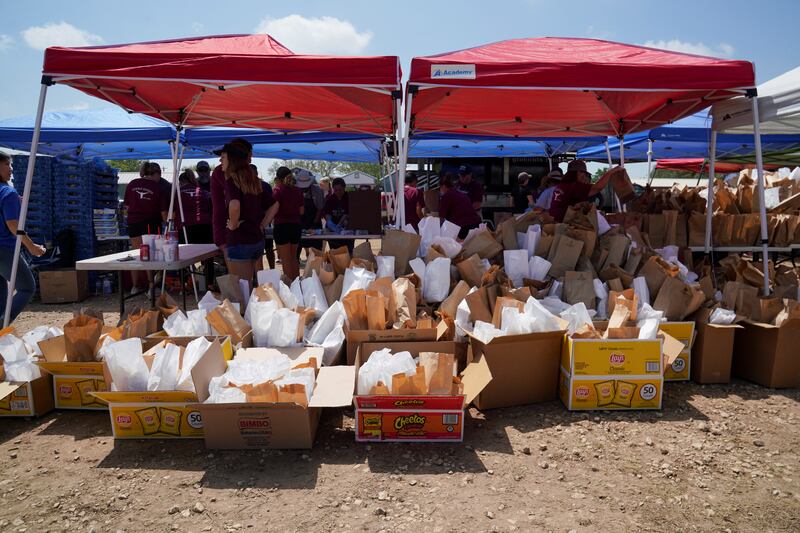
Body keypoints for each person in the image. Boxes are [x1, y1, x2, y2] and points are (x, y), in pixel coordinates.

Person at [218, 142, 278, 286]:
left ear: (232, 159)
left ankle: (246, 309)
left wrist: (232, 224)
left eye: (223, 157)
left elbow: (235, 205)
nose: (220, 161)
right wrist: (262, 224)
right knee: (248, 287)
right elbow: (275, 205)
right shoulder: (254, 181)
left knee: (241, 290)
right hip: (256, 240)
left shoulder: (232, 179)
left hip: (239, 240)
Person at [0, 153, 46, 324]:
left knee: (1, 296)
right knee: (27, 287)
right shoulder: (8, 193)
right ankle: (1, 327)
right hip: (4, 249)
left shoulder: (8, 194)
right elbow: (13, 225)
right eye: (6, 164)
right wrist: (31, 246)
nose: (11, 169)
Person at [124, 161, 169, 296]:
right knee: (149, 255)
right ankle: (151, 287)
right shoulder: (157, 188)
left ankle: (135, 286)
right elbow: (164, 212)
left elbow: (126, 206)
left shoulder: (132, 184)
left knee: (136, 254)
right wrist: (167, 223)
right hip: (150, 223)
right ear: (156, 174)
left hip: (133, 223)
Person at [211, 138, 253, 260]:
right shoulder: (222, 173)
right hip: (232, 233)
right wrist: (222, 234)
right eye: (249, 154)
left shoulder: (248, 172)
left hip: (247, 233)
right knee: (238, 276)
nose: (251, 157)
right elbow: (220, 206)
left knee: (242, 276)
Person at [272, 168, 305, 280]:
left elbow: (274, 210)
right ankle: (296, 284)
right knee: (294, 257)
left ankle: (290, 287)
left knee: (285, 259)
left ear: (278, 178)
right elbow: (301, 211)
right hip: (295, 226)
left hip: (282, 226)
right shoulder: (298, 191)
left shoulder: (277, 190)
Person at [294, 168, 326, 261]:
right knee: (295, 253)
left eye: (305, 187)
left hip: (314, 223)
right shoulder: (295, 191)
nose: (303, 188)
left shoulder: (317, 191)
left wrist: (314, 224)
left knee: (317, 255)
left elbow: (319, 209)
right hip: (300, 223)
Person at [439, 173, 481, 239]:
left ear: (443, 186)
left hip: (463, 227)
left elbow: (441, 218)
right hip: (475, 225)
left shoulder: (446, 196)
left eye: (440, 188)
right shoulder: (460, 194)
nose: (440, 191)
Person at [176, 169, 213, 244]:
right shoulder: (203, 192)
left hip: (185, 227)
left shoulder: (177, 193)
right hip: (206, 226)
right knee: (206, 254)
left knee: (188, 254)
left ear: (180, 182)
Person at [321, 177, 352, 253]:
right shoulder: (330, 200)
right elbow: (327, 215)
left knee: (348, 253)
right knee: (335, 254)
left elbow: (348, 213)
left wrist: (341, 224)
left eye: (340, 190)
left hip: (348, 232)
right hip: (333, 233)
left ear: (344, 188)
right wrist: (331, 224)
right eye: (335, 190)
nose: (338, 192)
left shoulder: (349, 197)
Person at [254, 164, 276, 269]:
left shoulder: (264, 186)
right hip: (259, 222)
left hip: (264, 221)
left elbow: (272, 204)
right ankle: (258, 276)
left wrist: (266, 220)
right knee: (259, 252)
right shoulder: (245, 186)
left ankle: (271, 269)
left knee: (268, 248)